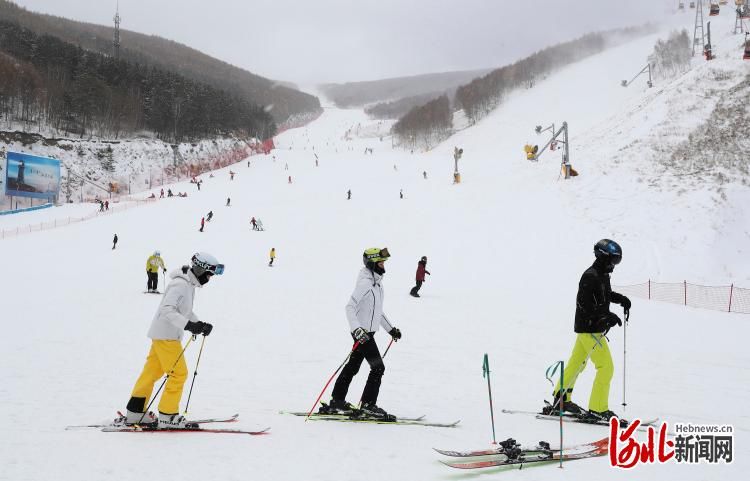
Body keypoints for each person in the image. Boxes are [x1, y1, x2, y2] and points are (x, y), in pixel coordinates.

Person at [123, 252, 223, 428]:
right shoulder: (180, 285)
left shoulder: (188, 285)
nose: (209, 278)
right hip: (167, 336)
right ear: (200, 269)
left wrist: (199, 323)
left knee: (151, 374)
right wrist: (190, 326)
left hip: (163, 334)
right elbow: (167, 310)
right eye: (209, 274)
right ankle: (167, 416)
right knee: (179, 374)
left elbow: (183, 311)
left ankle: (135, 412)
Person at [543, 239, 631, 421]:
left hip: (589, 329)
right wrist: (606, 317)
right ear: (603, 257)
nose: (614, 265)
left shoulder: (601, 274)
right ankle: (598, 408)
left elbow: (604, 295)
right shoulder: (590, 276)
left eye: (617, 261)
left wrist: (620, 299)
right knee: (606, 367)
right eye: (614, 260)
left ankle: (562, 399)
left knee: (577, 364)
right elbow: (585, 306)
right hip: (590, 329)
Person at [321, 248, 402, 420]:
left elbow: (377, 311)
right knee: (378, 367)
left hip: (368, 333)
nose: (383, 265)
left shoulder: (377, 284)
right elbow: (350, 307)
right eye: (380, 262)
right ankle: (367, 405)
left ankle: (337, 401)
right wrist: (357, 329)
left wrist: (391, 330)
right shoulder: (365, 283)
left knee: (353, 366)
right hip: (362, 334)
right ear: (372, 263)